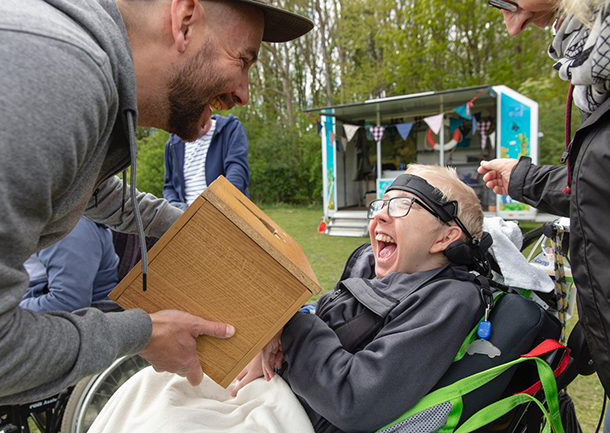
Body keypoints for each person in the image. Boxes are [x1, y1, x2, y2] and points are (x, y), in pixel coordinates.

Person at [0, 0, 313, 405]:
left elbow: (96, 192)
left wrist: (235, 254)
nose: (244, 94)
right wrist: (143, 333)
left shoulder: (86, 77)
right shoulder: (61, 74)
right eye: (243, 59)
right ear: (183, 22)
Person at [88, 164, 489, 433]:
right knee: (150, 385)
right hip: (277, 377)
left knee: (165, 422)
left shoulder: (449, 299)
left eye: (401, 206)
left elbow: (355, 399)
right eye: (380, 204)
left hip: (304, 412)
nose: (379, 216)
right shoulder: (371, 261)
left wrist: (287, 324)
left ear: (445, 236)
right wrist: (273, 328)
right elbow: (325, 318)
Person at [477, 0, 610, 400]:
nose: (513, 29)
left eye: (505, 2)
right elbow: (597, 194)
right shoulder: (597, 87)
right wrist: (523, 178)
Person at [20, 216, 121, 313]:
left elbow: (66, 302)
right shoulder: (42, 222)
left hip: (82, 320)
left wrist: (9, 311)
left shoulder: (68, 228)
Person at [164, 113, 250, 210]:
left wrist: (218, 204)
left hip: (225, 210)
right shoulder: (173, 144)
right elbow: (169, 186)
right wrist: (177, 209)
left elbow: (237, 171)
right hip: (188, 216)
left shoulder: (230, 128)